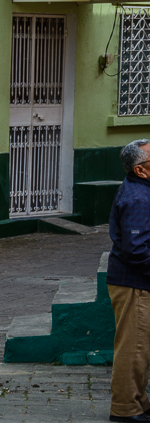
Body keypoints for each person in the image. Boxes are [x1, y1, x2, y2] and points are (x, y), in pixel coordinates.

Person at [109, 139, 150, 422]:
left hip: (135, 281)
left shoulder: (141, 191)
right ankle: (125, 410)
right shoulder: (138, 198)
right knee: (133, 348)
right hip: (133, 283)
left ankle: (139, 402)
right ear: (141, 170)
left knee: (140, 347)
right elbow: (136, 249)